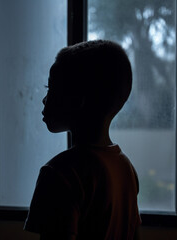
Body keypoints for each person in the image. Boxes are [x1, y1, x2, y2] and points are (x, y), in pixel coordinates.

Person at [24, 40, 141, 240]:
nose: (45, 99)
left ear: (77, 101)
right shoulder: (125, 168)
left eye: (51, 89)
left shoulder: (60, 174)